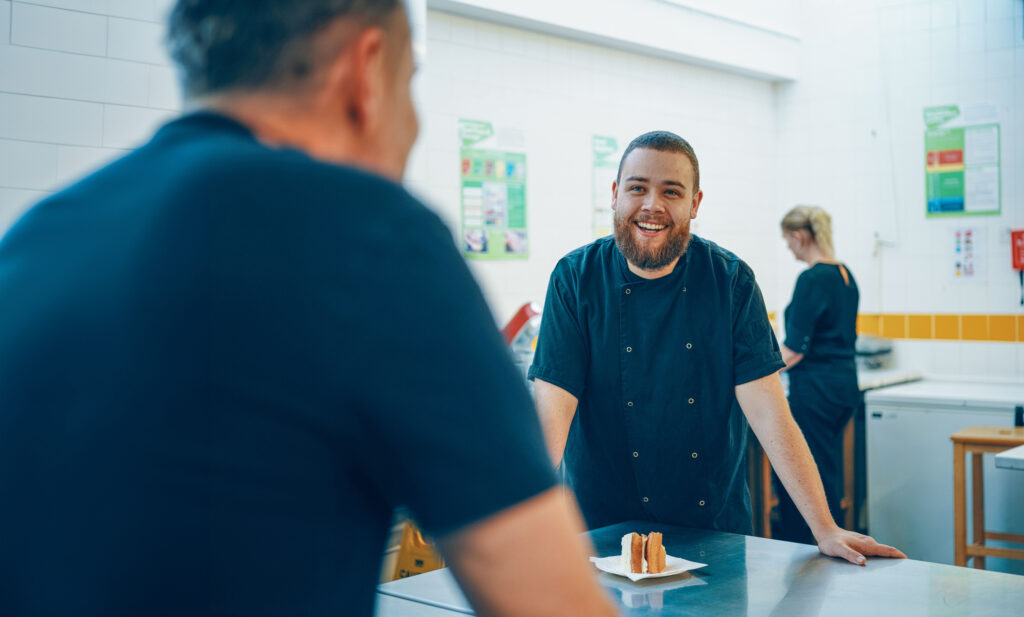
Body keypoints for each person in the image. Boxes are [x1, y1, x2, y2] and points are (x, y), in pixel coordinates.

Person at [0, 2, 618, 616]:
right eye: (409, 88)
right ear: (366, 73)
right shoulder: (369, 234)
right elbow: (550, 603)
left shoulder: (36, 238)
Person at [529, 131, 904, 565]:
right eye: (637, 188)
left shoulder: (730, 281)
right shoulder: (575, 279)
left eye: (671, 191)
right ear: (615, 195)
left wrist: (824, 526)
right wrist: (520, 526)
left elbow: (769, 413)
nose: (652, 204)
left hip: (710, 534)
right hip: (597, 534)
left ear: (695, 204)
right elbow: (552, 414)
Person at [775, 205, 860, 544]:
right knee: (826, 471)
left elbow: (795, 348)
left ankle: (814, 549)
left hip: (816, 393)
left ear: (799, 236)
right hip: (843, 388)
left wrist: (754, 372)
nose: (788, 249)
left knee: (808, 477)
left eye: (787, 241)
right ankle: (833, 543)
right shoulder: (844, 274)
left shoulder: (811, 278)